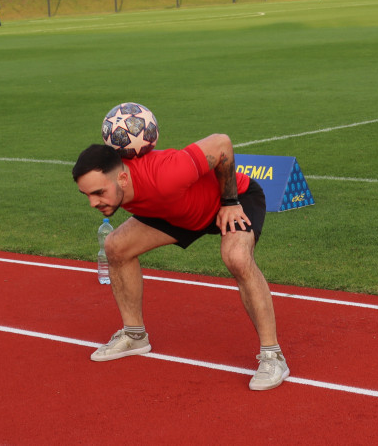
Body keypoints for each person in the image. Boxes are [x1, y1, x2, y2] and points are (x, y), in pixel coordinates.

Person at [72, 134, 289, 391]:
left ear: (122, 178)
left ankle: (273, 355)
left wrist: (230, 201)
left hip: (230, 201)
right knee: (116, 247)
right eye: (86, 195)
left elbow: (221, 143)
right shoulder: (118, 187)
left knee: (237, 258)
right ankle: (134, 335)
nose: (93, 203)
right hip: (176, 212)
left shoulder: (167, 173)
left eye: (98, 193)